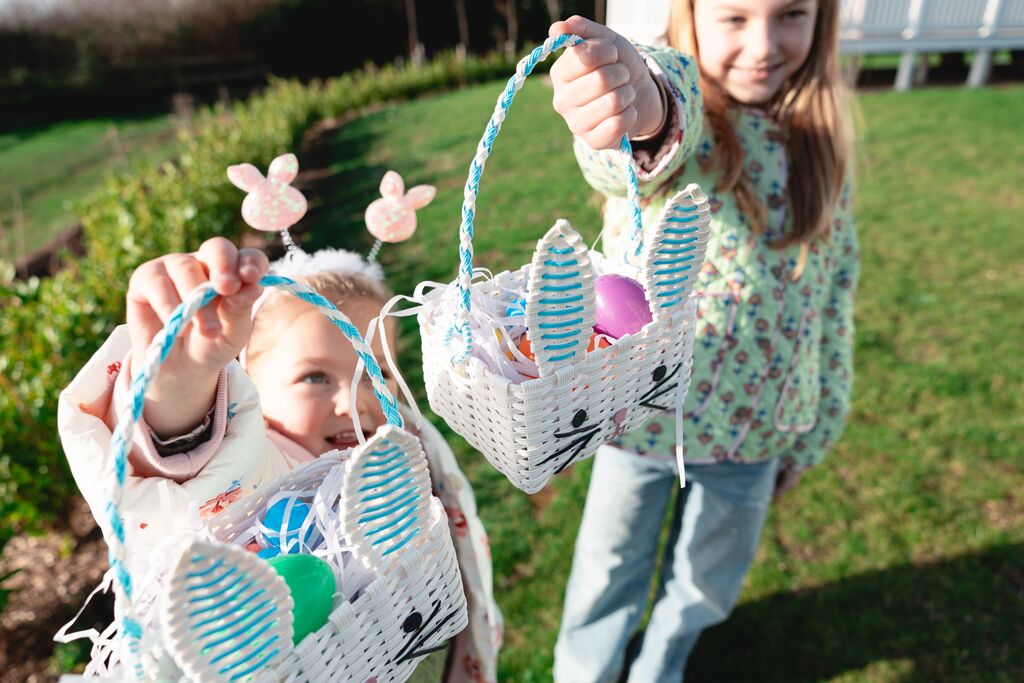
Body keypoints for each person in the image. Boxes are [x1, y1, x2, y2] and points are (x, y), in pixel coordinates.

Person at [547, 2, 859, 680]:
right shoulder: (688, 112)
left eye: (791, 14)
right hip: (639, 418)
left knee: (703, 583)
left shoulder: (820, 141)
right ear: (691, 15)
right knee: (606, 574)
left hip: (754, 430)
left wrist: (817, 419)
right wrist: (636, 101)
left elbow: (834, 297)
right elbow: (656, 121)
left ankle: (659, 669)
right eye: (735, 17)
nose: (763, 45)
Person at [58, 239, 502, 683]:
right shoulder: (270, 471)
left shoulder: (402, 449)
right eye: (315, 376)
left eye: (375, 372)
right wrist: (182, 381)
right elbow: (206, 474)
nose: (353, 402)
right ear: (249, 387)